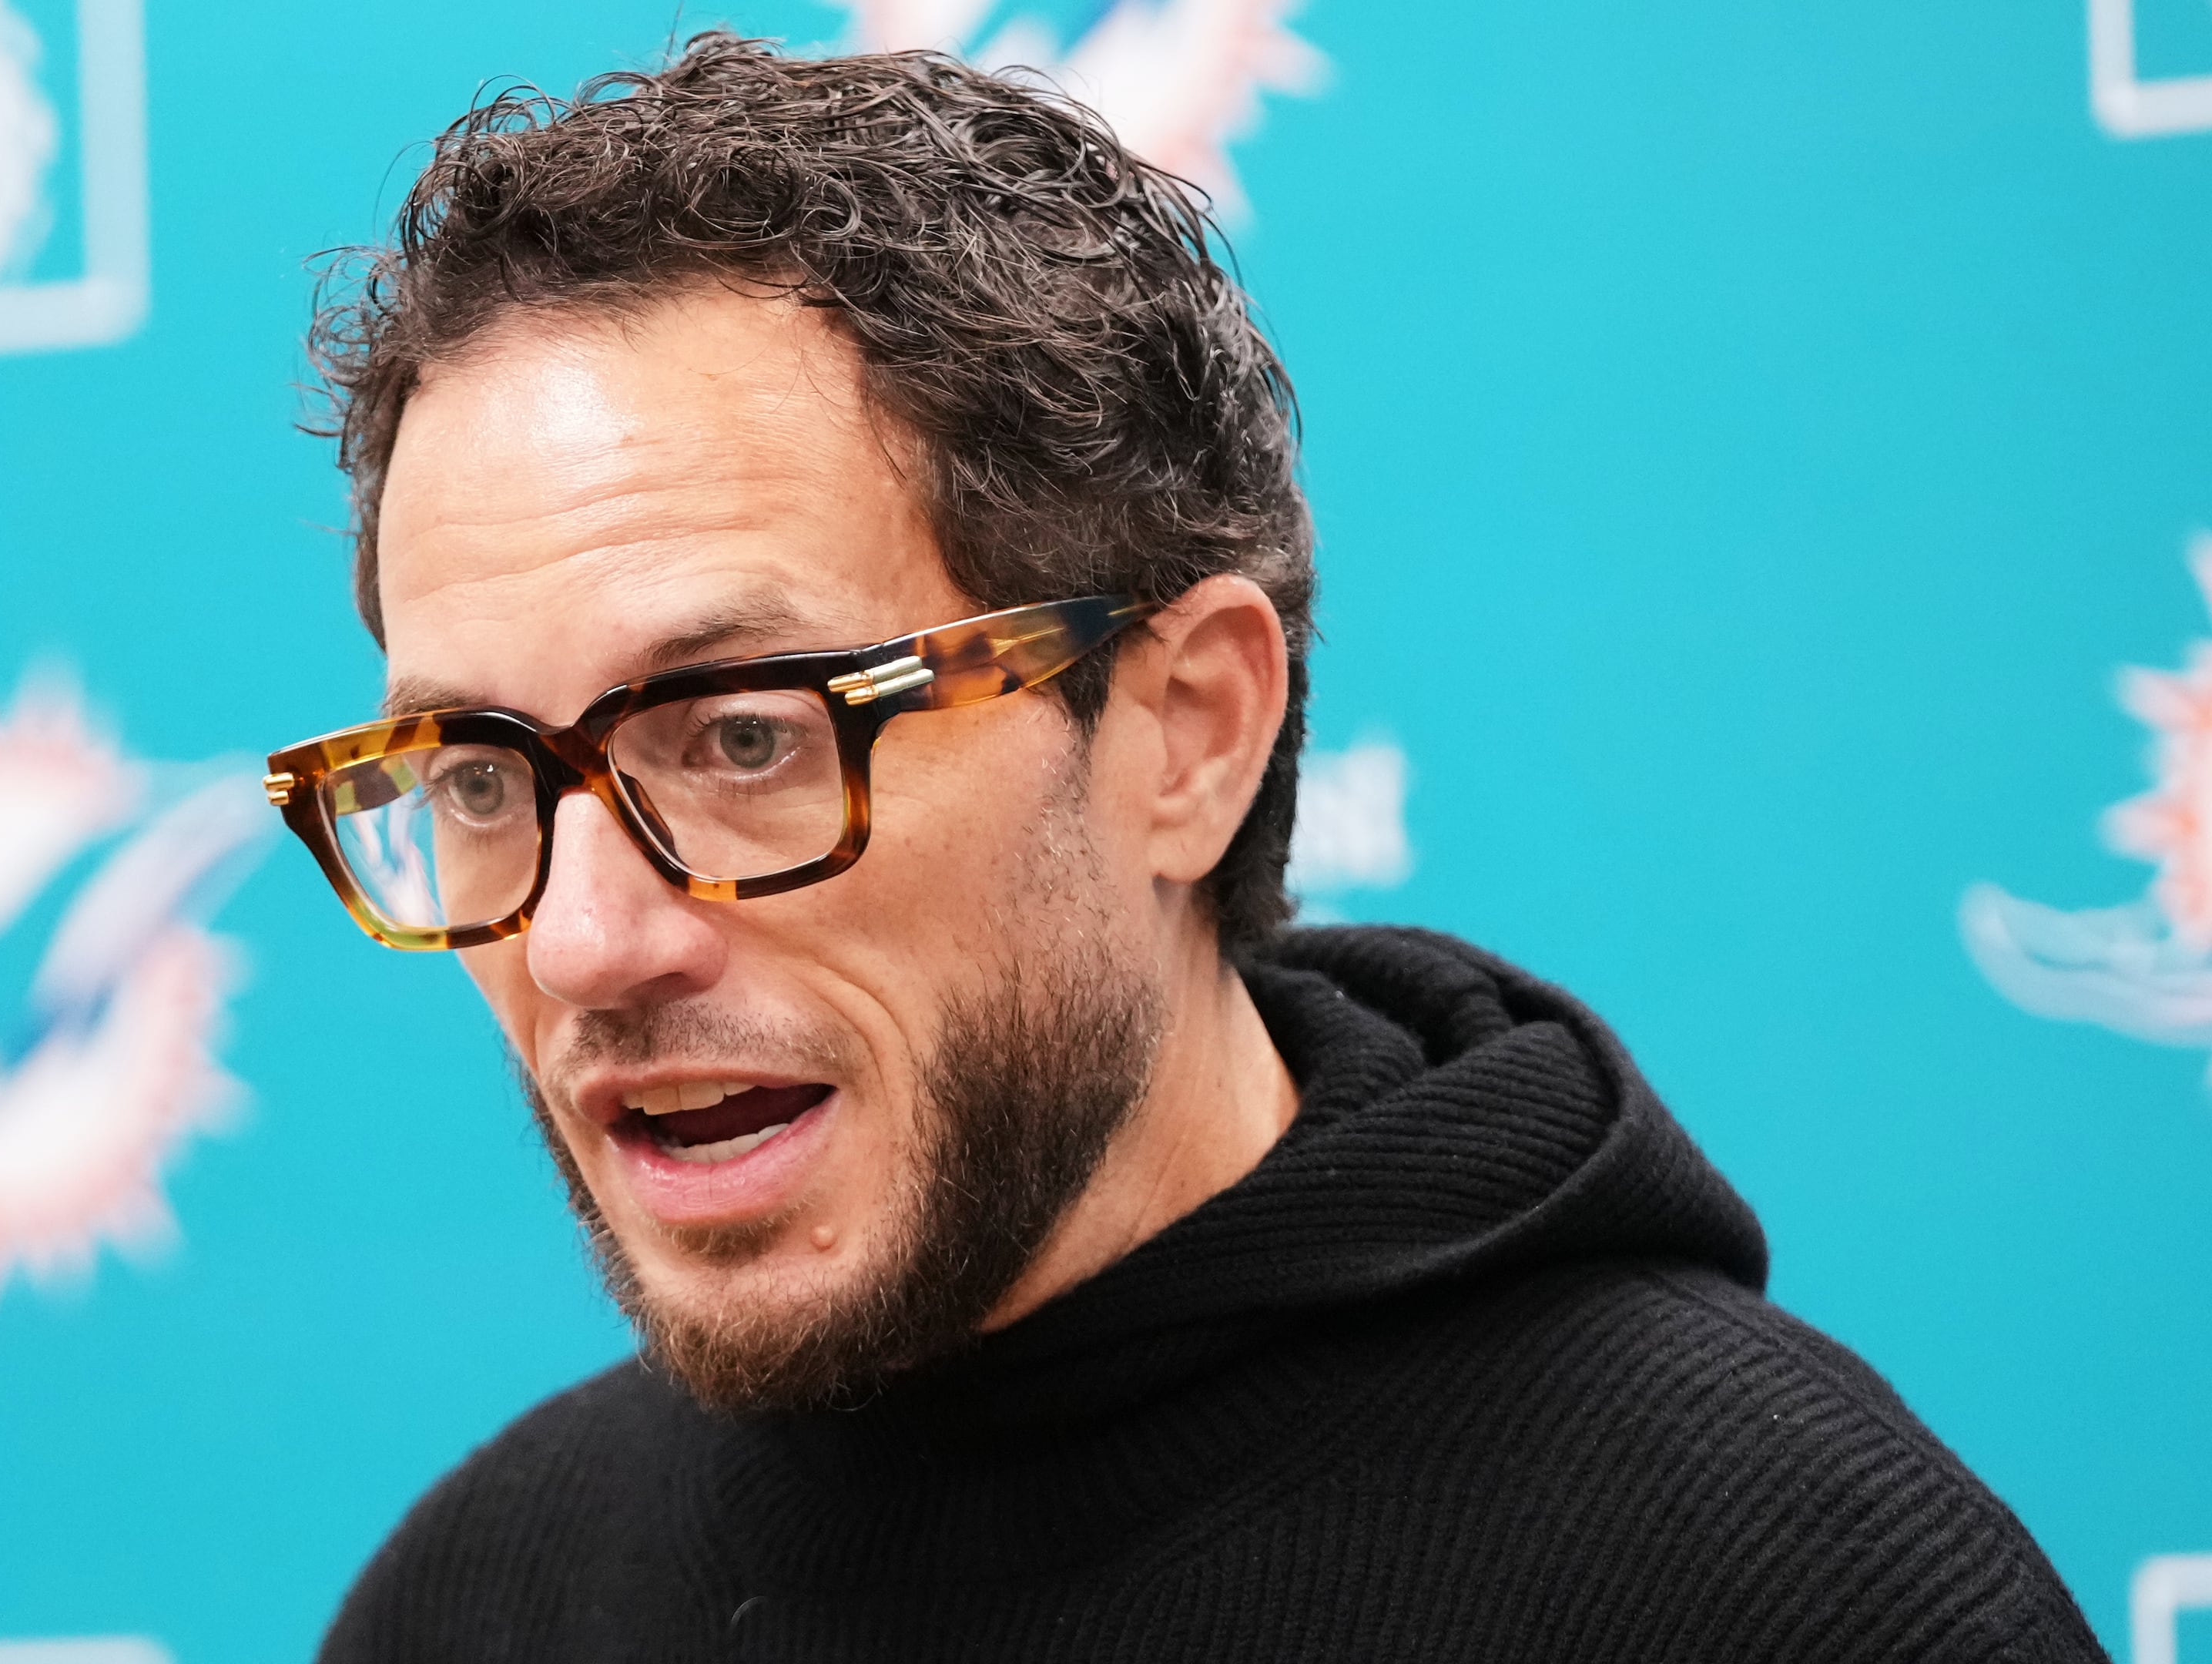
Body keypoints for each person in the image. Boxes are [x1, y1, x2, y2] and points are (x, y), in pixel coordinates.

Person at [260, 33, 2102, 1663]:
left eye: (748, 736)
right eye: (483, 778)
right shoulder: (481, 1599)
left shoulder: (1776, 1594)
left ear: (1185, 734)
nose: (587, 942)